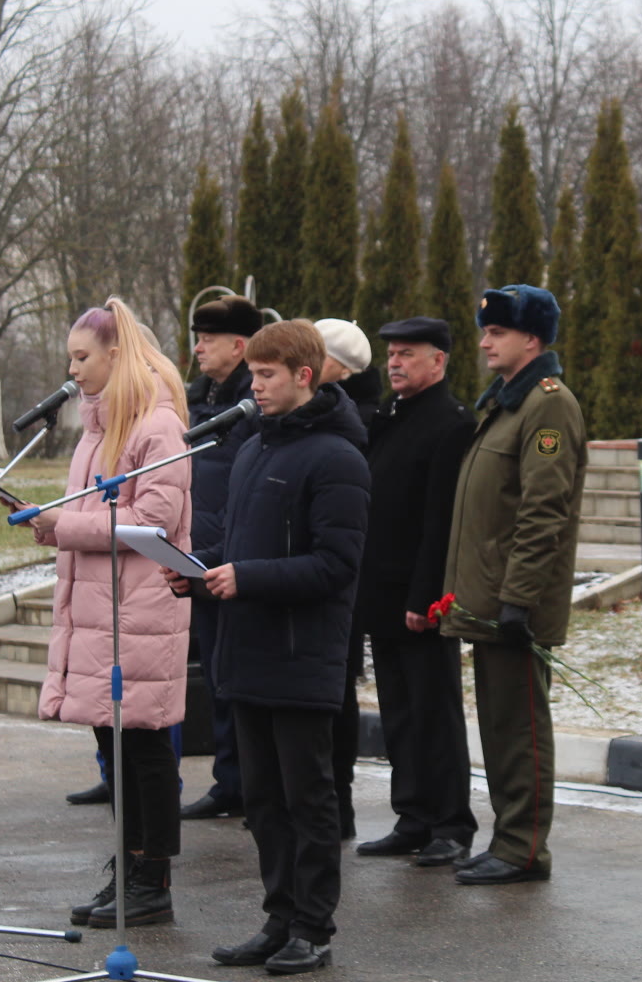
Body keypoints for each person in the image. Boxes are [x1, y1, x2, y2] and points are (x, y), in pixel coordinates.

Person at [174, 319, 369, 974]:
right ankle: (278, 916)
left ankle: (313, 926)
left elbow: (336, 566)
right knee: (260, 800)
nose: (252, 387)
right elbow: (238, 542)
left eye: (265, 376)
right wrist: (198, 570)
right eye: (252, 375)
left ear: (304, 377)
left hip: (302, 655)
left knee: (306, 799)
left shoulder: (339, 457)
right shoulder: (256, 447)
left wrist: (244, 577)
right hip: (246, 650)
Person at [32, 297, 192, 928]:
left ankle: (154, 878)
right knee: (113, 745)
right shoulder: (98, 427)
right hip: (100, 606)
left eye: (82, 357)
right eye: (69, 358)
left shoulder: (157, 426)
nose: (73, 371)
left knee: (145, 745)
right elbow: (91, 515)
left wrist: (66, 524)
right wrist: (49, 526)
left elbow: (153, 519)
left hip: (141, 607)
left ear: (116, 356)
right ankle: (127, 869)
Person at [438, 284, 586, 886]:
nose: (484, 342)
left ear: (531, 338)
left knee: (520, 729)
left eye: (497, 332)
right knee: (500, 728)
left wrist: (519, 599)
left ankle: (524, 848)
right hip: (489, 600)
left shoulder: (547, 405)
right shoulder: (508, 402)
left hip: (511, 604)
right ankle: (508, 838)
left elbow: (542, 512)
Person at [352, 316, 477, 868]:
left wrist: (425, 599)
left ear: (439, 362)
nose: (395, 363)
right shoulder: (391, 416)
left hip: (419, 599)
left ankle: (451, 822)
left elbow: (441, 521)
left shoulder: (451, 424)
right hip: (380, 592)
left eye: (407, 354)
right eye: (391, 355)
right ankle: (413, 815)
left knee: (434, 711)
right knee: (399, 711)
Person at [181, 294, 263, 821]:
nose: (198, 347)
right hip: (200, 554)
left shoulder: (250, 406)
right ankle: (228, 781)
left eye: (209, 339)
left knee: (239, 680)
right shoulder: (200, 399)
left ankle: (246, 784)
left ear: (240, 345)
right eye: (197, 337)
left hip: (238, 558)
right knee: (214, 676)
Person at [313, 315, 376, 839]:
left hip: (341, 578)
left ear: (338, 367)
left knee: (337, 696)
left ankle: (340, 801)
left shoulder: (353, 423)